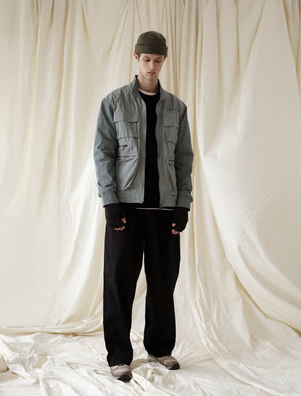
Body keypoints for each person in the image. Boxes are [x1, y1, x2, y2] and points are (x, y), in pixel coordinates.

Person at [93, 31, 193, 382]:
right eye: (146, 59)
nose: (152, 66)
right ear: (136, 58)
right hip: (126, 210)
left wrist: (183, 204)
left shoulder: (176, 108)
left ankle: (160, 348)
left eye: (158, 60)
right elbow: (103, 154)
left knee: (163, 281)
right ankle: (118, 355)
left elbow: (184, 158)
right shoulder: (114, 103)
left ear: (163, 61)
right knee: (119, 283)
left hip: (164, 211)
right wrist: (110, 200)